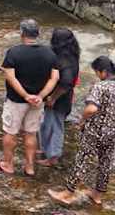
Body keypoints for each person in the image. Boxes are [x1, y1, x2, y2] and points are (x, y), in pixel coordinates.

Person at [49, 56, 115, 207]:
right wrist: (113, 115)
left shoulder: (100, 86)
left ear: (103, 72)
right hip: (114, 130)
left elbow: (91, 108)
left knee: (82, 159)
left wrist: (82, 120)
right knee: (105, 162)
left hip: (96, 129)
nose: (96, 75)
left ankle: (68, 194)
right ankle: (97, 195)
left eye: (96, 72)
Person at [0, 18, 59, 176]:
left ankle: (8, 164)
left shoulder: (14, 52)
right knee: (30, 133)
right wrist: (40, 96)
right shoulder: (49, 53)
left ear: (22, 33)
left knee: (10, 132)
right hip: (37, 102)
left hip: (16, 100)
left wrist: (25, 95)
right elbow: (55, 78)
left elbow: (11, 77)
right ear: (37, 34)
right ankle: (30, 167)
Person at [37, 28, 81, 167]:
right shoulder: (71, 54)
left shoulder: (65, 60)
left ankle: (53, 157)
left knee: (55, 126)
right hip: (61, 97)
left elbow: (66, 83)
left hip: (60, 99)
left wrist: (53, 98)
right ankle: (44, 149)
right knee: (46, 123)